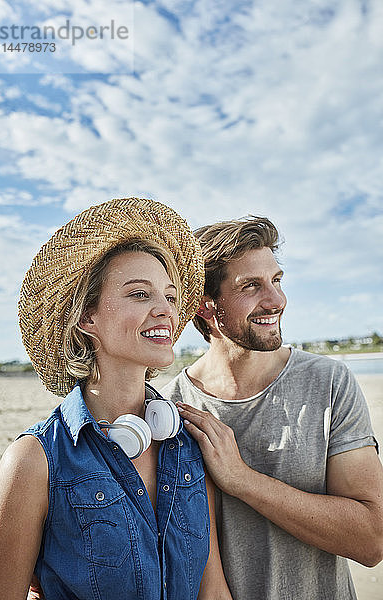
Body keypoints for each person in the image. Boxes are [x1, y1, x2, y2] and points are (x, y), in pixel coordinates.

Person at [0, 198, 233, 600]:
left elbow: (213, 592)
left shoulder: (188, 446)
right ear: (87, 318)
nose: (165, 311)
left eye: (170, 297)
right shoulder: (34, 461)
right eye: (139, 294)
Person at [162, 215, 383, 600]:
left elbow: (372, 540)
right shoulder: (170, 409)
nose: (276, 300)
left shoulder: (329, 382)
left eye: (277, 280)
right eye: (251, 286)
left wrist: (242, 480)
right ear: (204, 305)